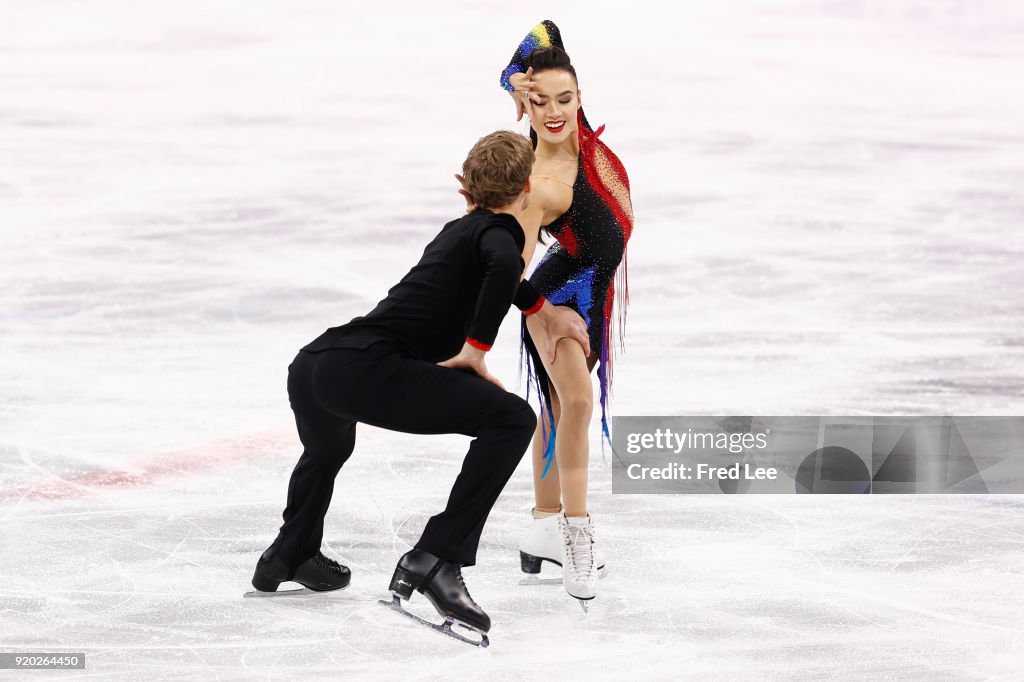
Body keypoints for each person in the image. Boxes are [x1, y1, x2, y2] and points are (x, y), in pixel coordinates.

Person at [252, 130, 556, 644]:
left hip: (316, 364)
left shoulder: (458, 232)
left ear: (464, 186)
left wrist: (538, 307)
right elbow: (504, 264)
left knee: (326, 450)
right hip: (367, 369)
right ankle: (436, 557)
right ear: (528, 187)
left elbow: (497, 274)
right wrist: (476, 352)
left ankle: (290, 552)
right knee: (511, 419)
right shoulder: (500, 235)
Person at [496, 19, 634, 604]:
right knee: (576, 401)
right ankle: (575, 535)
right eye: (540, 101)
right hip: (561, 300)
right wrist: (544, 313)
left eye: (564, 98)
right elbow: (507, 266)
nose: (554, 112)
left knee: (557, 407)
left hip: (594, 298)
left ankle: (543, 525)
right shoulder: (544, 182)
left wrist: (515, 78)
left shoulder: (587, 144)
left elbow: (543, 29)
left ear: (580, 97)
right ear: (526, 110)